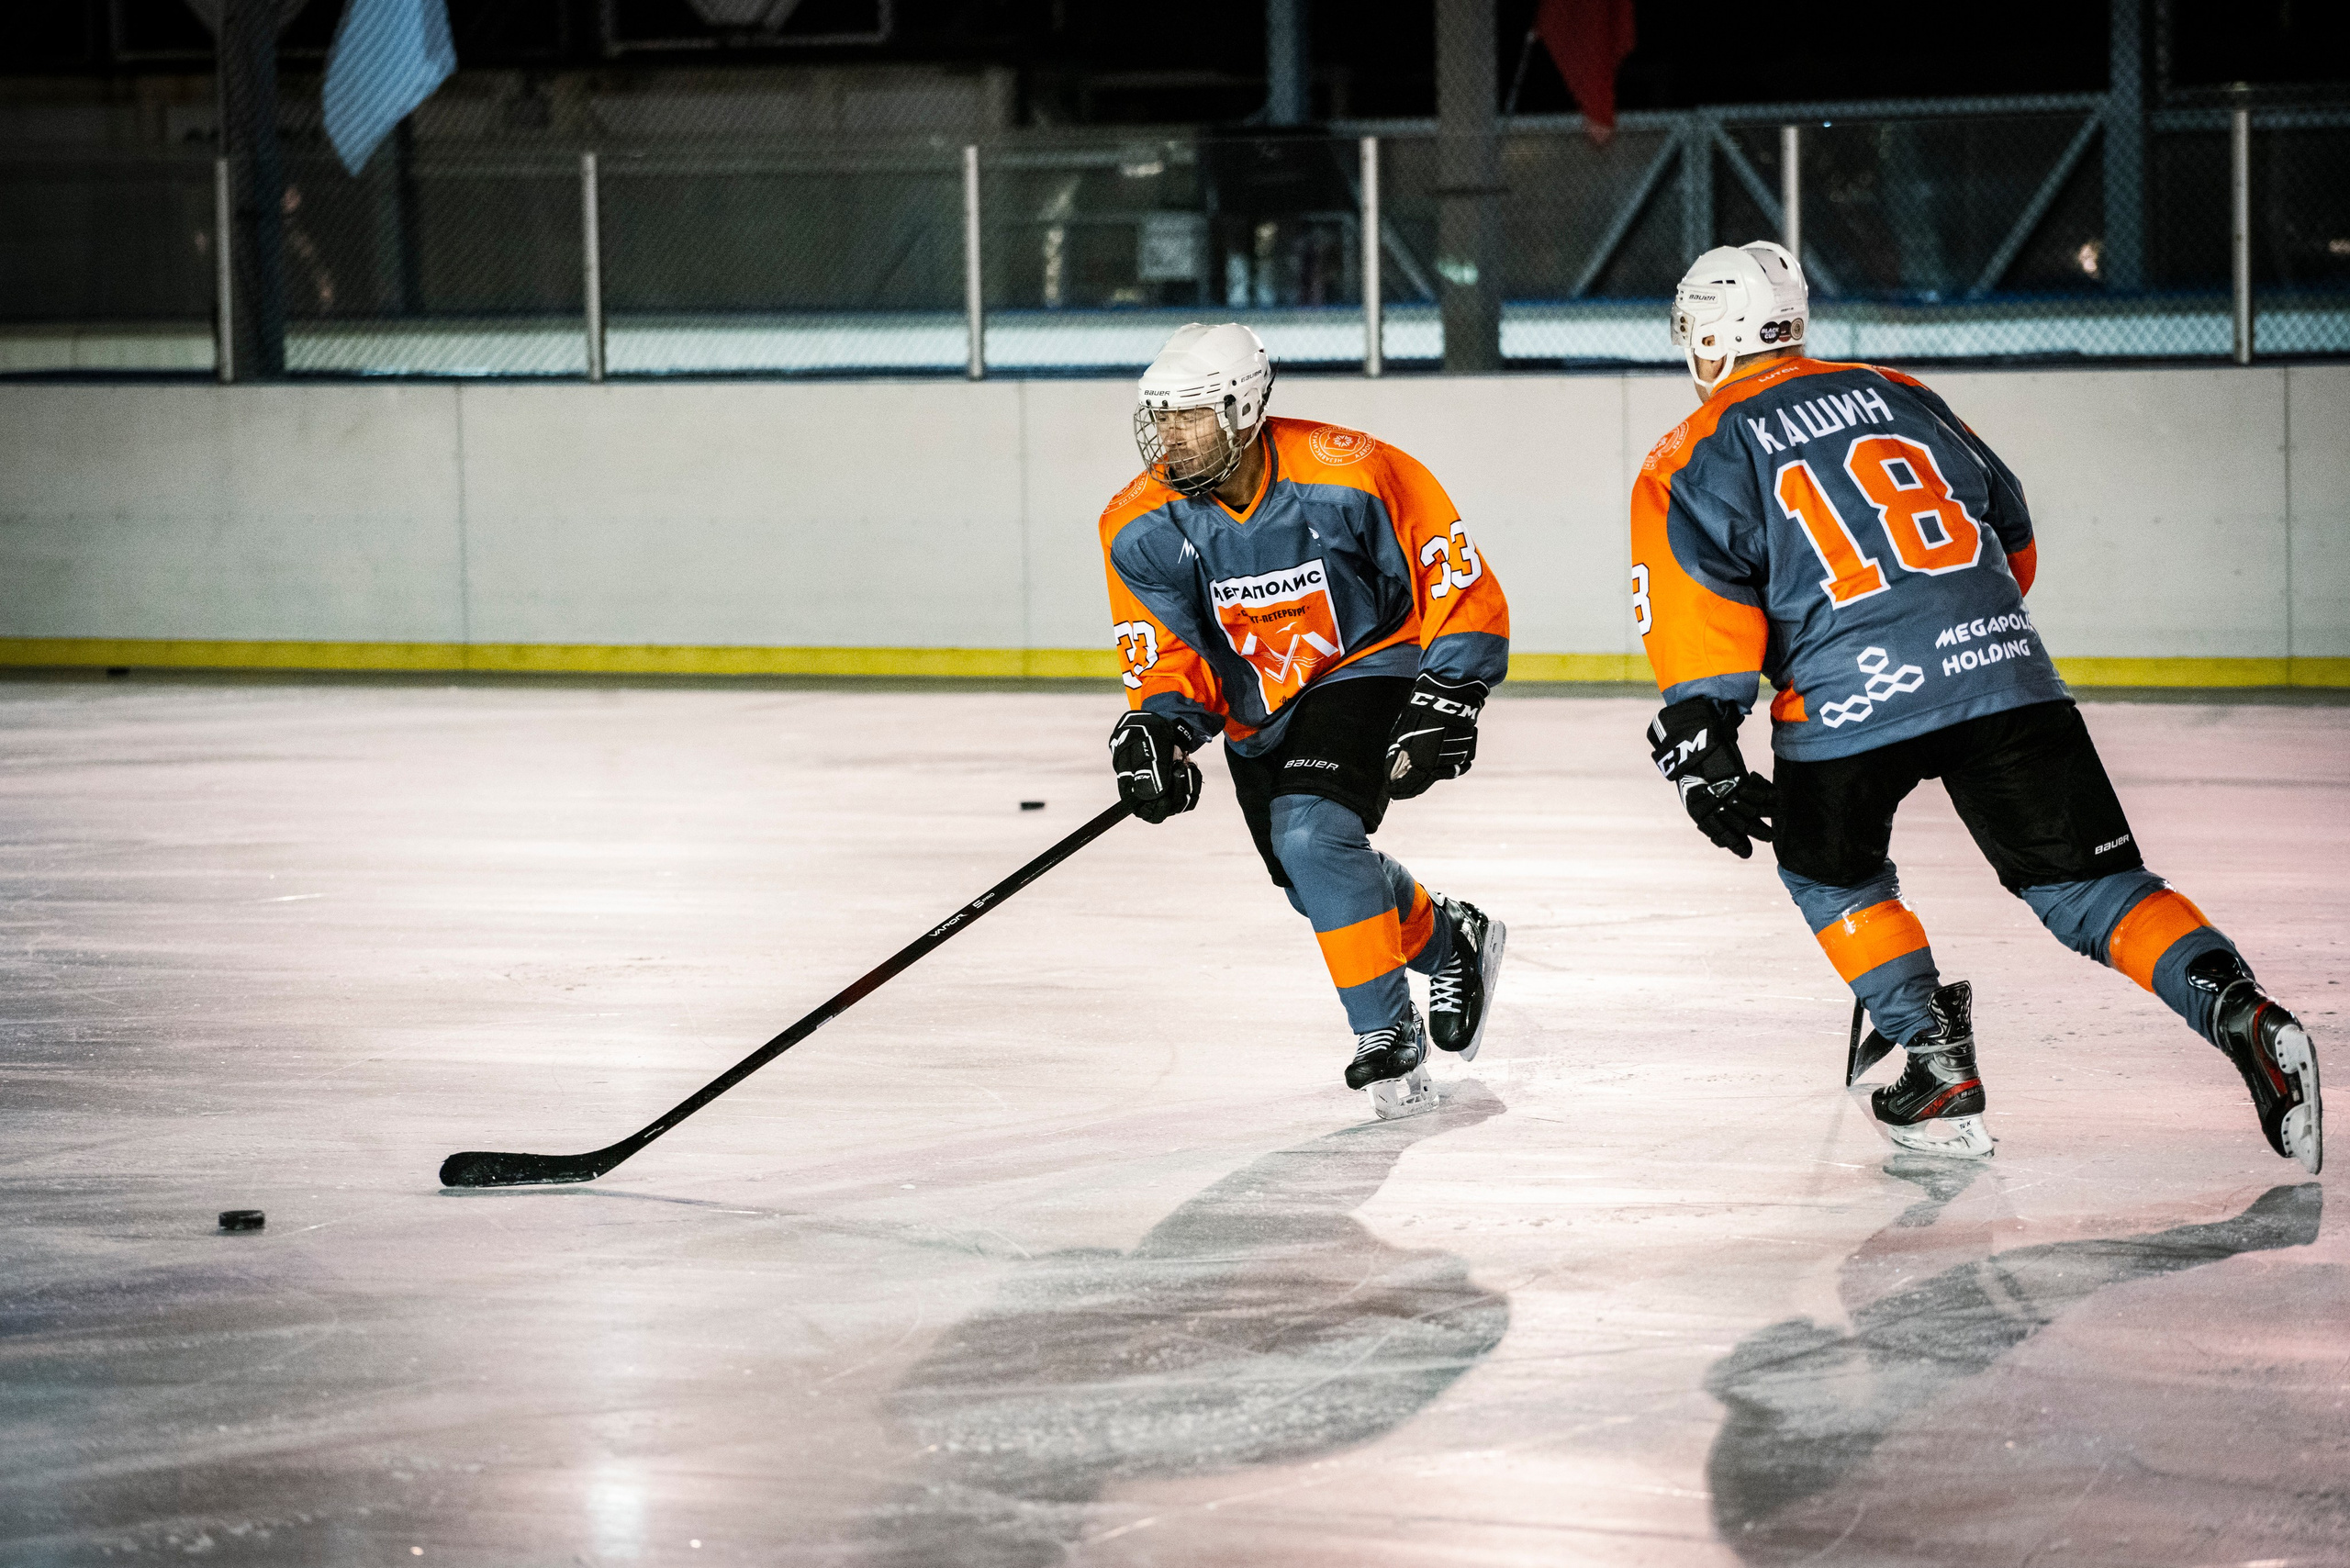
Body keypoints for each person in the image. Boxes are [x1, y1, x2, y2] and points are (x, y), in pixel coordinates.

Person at [1628, 240, 2322, 1169]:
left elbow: (1699, 611)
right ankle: (2240, 1011)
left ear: (1710, 336)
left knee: (1832, 876)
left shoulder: (1689, 451)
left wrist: (1704, 738)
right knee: (2092, 888)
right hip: (2001, 669)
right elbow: (2012, 533)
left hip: (1845, 698)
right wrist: (1964, 634)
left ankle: (1937, 1064)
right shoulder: (1900, 392)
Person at [1102, 322, 1511, 1117]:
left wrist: (1452, 688)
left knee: (1312, 835)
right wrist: (1161, 726)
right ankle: (1451, 938)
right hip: (1258, 706)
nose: (1170, 436)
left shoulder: (1349, 472)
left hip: (1369, 660)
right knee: (1313, 883)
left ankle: (1386, 1033)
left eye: (1191, 415)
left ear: (1244, 410)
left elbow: (1449, 571)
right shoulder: (1136, 525)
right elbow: (1167, 651)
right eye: (1162, 416)